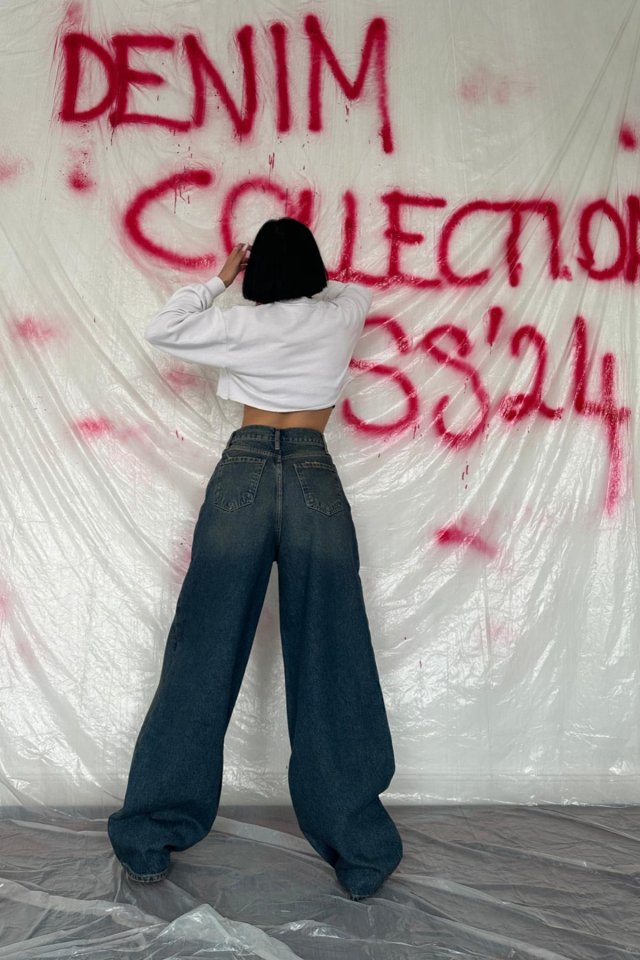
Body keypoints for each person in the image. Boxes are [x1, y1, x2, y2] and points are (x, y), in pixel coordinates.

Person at [107, 217, 403, 901]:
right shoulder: (341, 315)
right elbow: (349, 290)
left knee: (202, 652)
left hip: (242, 473)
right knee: (333, 653)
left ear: (255, 271)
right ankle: (360, 852)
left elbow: (164, 326)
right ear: (313, 270)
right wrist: (310, 281)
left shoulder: (239, 323)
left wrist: (221, 279)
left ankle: (149, 837)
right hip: (312, 476)